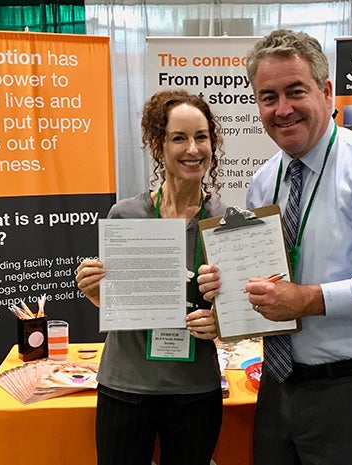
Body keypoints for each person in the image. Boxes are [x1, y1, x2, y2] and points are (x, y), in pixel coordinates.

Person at [197, 29, 352, 465]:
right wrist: (227, 293)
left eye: (295, 91)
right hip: (278, 384)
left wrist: (310, 300)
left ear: (326, 91)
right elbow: (268, 279)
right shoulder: (264, 181)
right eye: (268, 96)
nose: (282, 109)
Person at [75, 89, 226, 465]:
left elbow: (243, 308)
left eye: (201, 137)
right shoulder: (125, 216)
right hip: (126, 386)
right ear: (159, 146)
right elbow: (114, 304)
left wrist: (220, 322)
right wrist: (95, 290)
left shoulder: (226, 221)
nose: (193, 148)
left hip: (194, 390)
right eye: (179, 138)